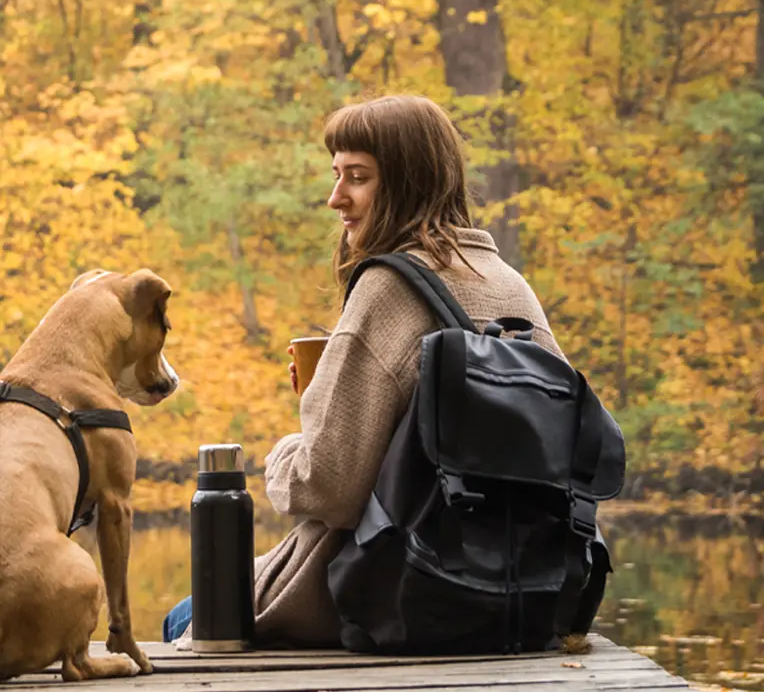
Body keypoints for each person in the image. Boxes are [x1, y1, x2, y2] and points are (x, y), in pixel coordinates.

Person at [163, 94, 566, 646]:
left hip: (391, 590)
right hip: (520, 589)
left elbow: (327, 486)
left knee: (185, 617)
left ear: (409, 183)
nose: (336, 198)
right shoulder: (509, 284)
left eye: (357, 177)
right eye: (337, 175)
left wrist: (283, 452)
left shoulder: (388, 287)